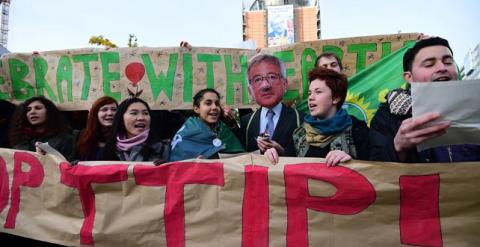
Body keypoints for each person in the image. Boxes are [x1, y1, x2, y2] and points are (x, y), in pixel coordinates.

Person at [369, 37, 480, 162]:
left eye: (448, 62)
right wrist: (397, 147)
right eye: (429, 64)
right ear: (409, 77)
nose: (442, 68)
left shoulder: (476, 108)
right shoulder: (387, 116)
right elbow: (374, 171)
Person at [265, 67, 369, 165]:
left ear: (336, 98)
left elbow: (374, 169)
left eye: (318, 92)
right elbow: (286, 168)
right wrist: (273, 156)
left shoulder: (357, 129)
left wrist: (351, 162)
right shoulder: (300, 133)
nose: (311, 98)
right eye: (310, 93)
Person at [241, 54, 304, 156]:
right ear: (250, 91)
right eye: (257, 79)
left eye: (272, 77)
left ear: (285, 84)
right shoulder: (245, 123)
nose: (265, 85)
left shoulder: (302, 120)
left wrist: (283, 153)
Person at [169, 88, 245, 161]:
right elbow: (177, 168)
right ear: (196, 109)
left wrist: (231, 123)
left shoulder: (224, 130)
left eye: (217, 104)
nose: (214, 107)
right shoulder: (186, 134)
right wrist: (191, 166)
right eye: (208, 103)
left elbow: (242, 159)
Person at [101, 97, 170, 162]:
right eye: (134, 113)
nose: (141, 118)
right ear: (122, 119)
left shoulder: (162, 148)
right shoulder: (110, 147)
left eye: (145, 113)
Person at [8, 96, 76, 160]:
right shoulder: (20, 138)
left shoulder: (65, 139)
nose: (32, 112)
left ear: (49, 112)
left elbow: (69, 165)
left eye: (38, 108)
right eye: (28, 110)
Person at [75, 96, 118, 161]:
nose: (110, 113)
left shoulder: (124, 137)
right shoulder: (81, 136)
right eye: (104, 109)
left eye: (114, 109)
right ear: (95, 114)